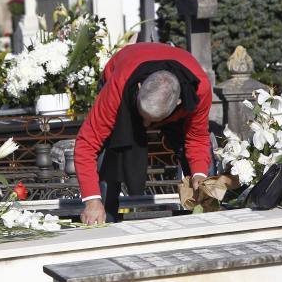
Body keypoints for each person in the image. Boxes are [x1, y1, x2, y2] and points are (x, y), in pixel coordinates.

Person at [75, 42, 212, 224]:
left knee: (204, 178)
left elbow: (197, 138)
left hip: (174, 106)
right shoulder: (118, 86)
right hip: (124, 77)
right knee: (109, 157)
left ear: (179, 102)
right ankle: (104, 216)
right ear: (139, 87)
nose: (146, 125)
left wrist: (200, 175)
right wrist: (91, 199)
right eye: (143, 117)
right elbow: (87, 143)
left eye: (153, 120)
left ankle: (205, 217)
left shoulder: (199, 90)